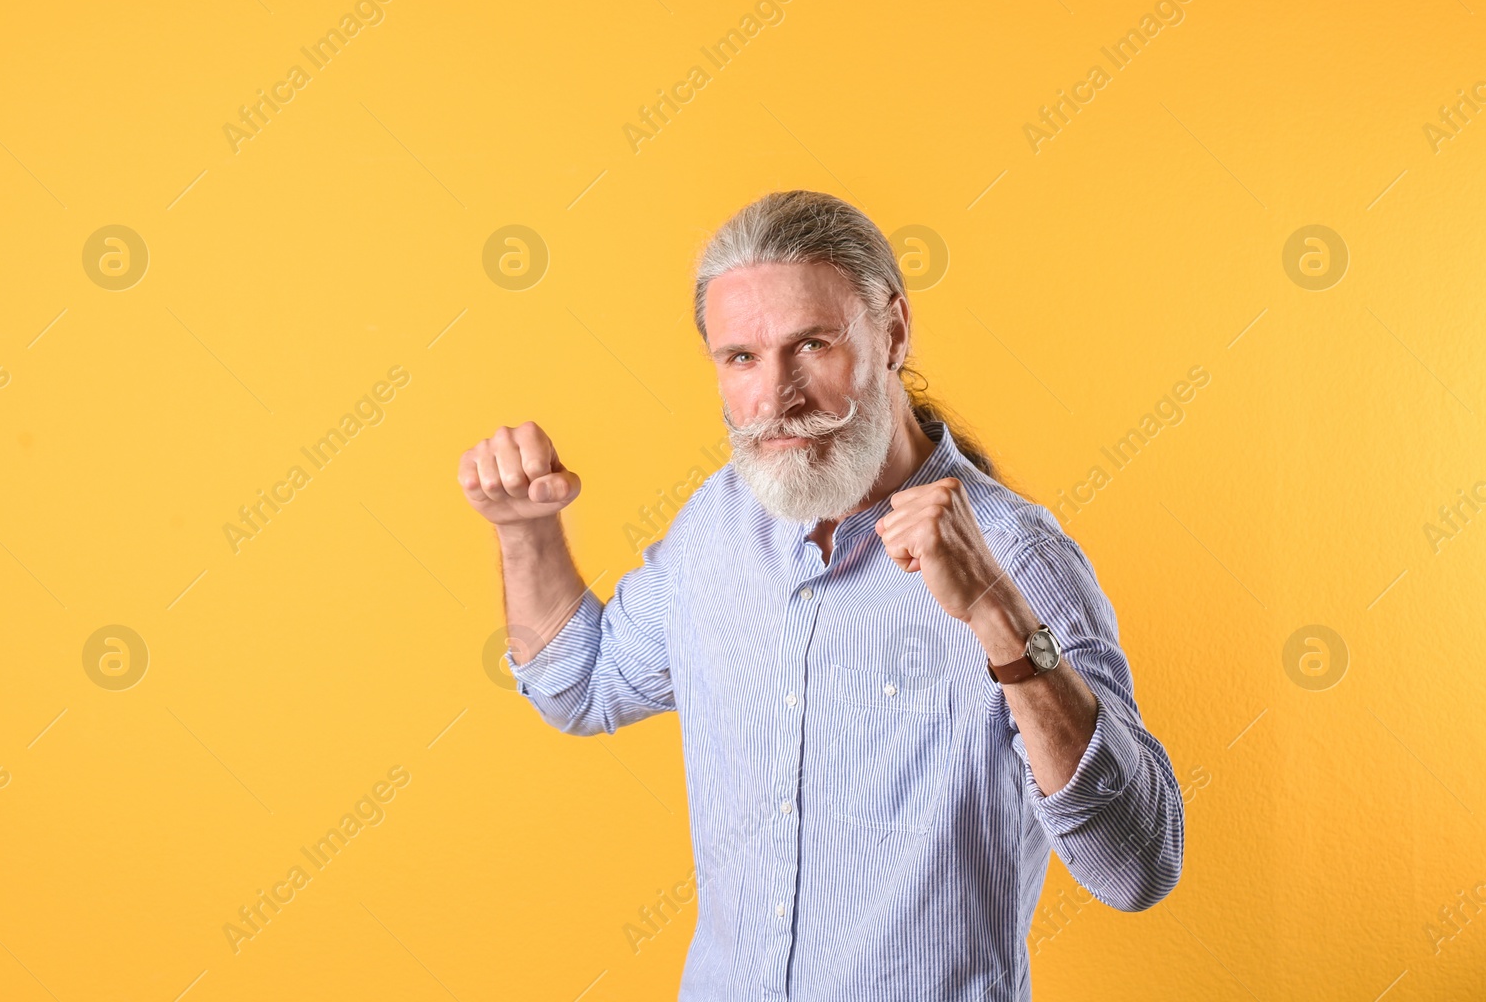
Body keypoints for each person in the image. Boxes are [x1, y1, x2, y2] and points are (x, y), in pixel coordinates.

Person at [459, 190, 1184, 1000]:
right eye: (741, 358)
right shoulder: (716, 529)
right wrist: (525, 533)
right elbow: (582, 686)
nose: (775, 397)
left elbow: (1140, 865)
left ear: (894, 333)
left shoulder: (1015, 555)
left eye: (812, 345)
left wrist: (998, 619)